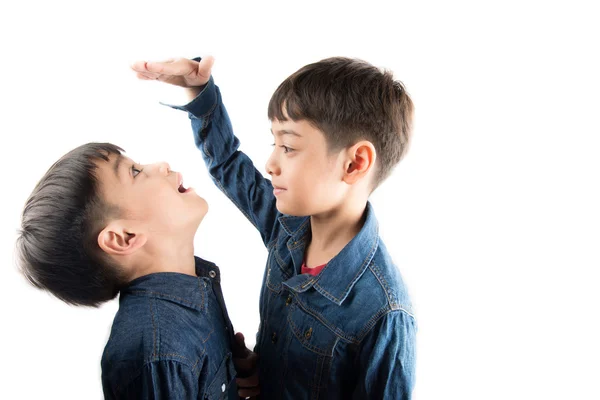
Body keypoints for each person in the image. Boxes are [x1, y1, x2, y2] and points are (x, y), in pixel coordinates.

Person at [133, 54, 417, 399]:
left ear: (355, 163)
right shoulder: (288, 225)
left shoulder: (384, 313)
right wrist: (200, 92)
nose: (270, 164)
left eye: (288, 146)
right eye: (274, 143)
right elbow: (227, 165)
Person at [16, 142, 252, 399]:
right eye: (135, 172)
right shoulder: (158, 352)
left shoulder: (195, 291)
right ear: (124, 237)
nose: (161, 165)